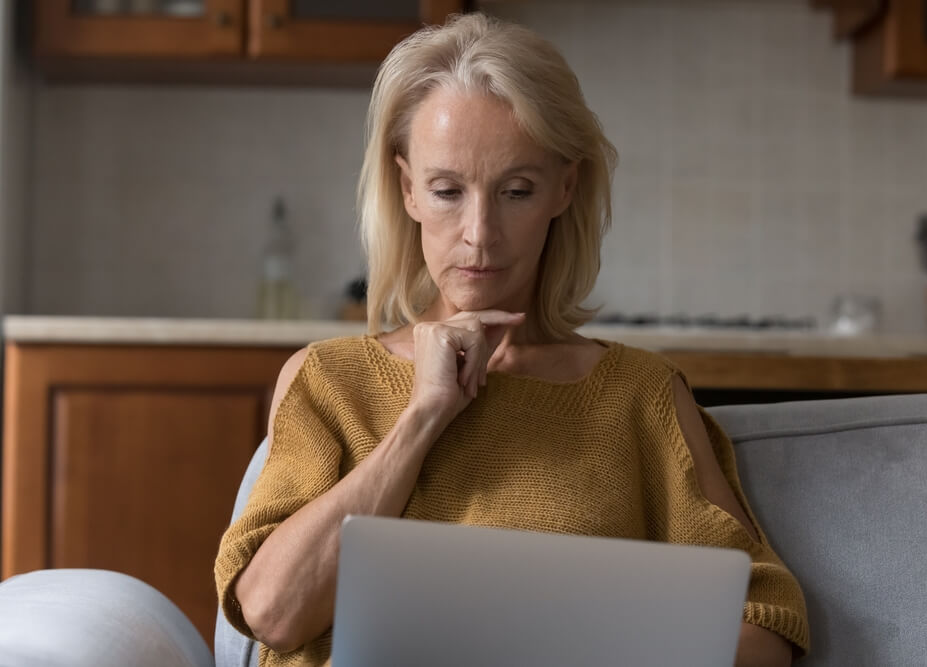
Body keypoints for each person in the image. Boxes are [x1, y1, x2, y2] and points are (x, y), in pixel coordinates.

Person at [215, 12, 809, 667]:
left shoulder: (642, 397)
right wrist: (425, 415)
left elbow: (765, 628)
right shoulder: (329, 380)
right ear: (407, 187)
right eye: (447, 190)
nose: (480, 233)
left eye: (516, 191)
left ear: (566, 187)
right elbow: (272, 610)